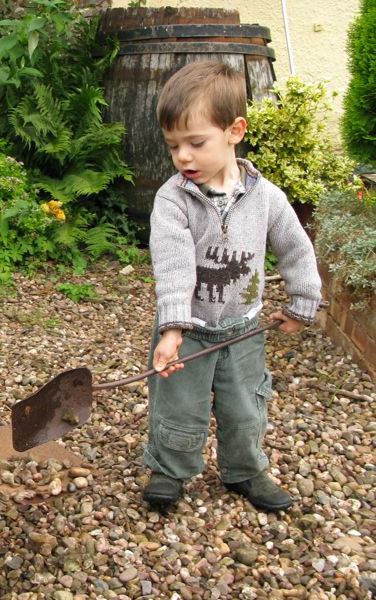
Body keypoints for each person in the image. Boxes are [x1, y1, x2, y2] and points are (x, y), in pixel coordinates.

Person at [142, 61, 322, 512]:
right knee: (179, 406)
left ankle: (245, 470)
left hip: (243, 330)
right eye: (173, 147)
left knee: (246, 407)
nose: (183, 157)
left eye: (196, 143)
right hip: (189, 331)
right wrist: (172, 331)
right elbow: (174, 267)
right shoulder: (172, 200)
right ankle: (170, 469)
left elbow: (296, 249)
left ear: (234, 131)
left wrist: (303, 305)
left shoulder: (266, 198)